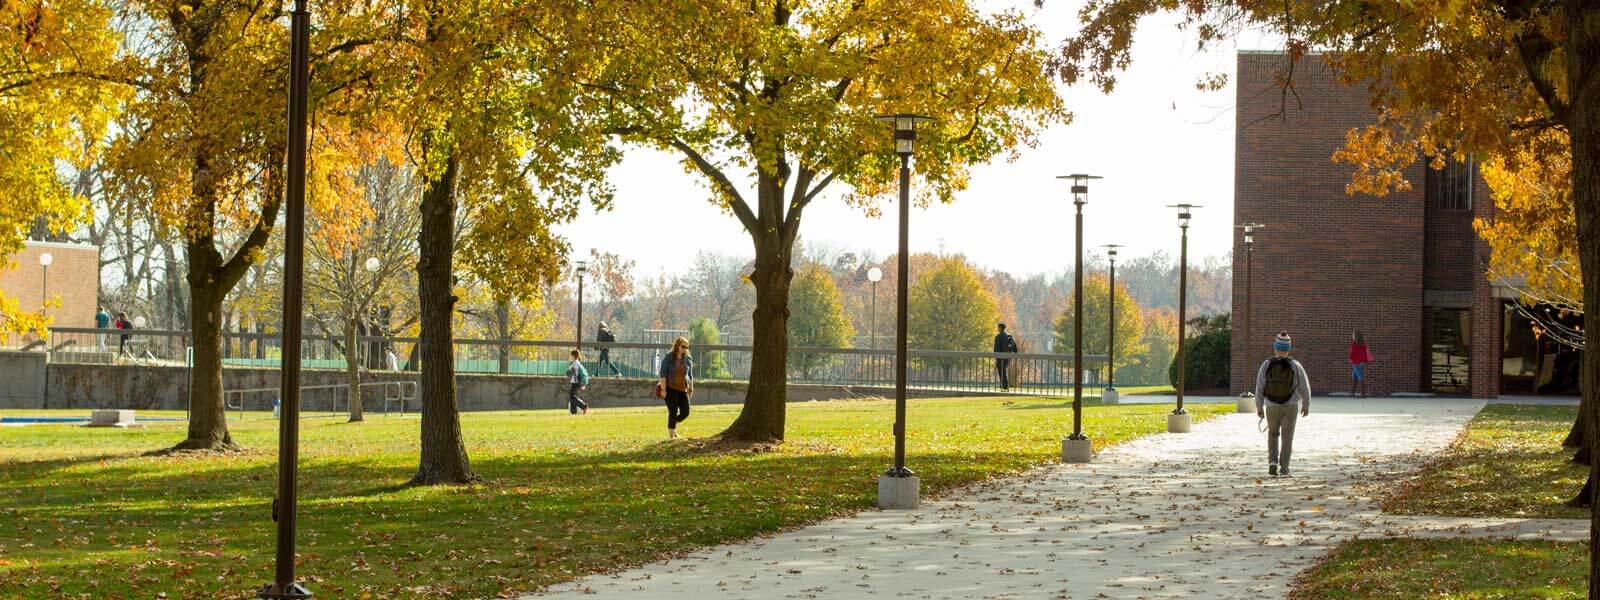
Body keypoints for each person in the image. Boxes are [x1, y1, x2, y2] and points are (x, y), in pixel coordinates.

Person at [1255, 332, 1312, 477]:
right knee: (1287, 437)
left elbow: (1259, 387)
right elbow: (1304, 387)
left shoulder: (1266, 364)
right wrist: (1306, 404)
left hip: (1272, 406)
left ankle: (1272, 462)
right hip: (1290, 406)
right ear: (1288, 349)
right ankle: (1284, 469)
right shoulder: (1295, 365)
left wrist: (1259, 406)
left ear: (1275, 348)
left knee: (1273, 434)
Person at [658, 336, 694, 439]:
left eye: (687, 347)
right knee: (672, 412)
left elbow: (690, 375)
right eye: (683, 346)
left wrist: (691, 388)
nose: (685, 349)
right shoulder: (669, 357)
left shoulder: (688, 358)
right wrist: (664, 390)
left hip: (683, 389)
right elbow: (663, 374)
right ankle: (671, 436)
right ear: (677, 346)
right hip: (670, 388)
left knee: (686, 412)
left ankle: (673, 424)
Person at [993, 323, 1019, 390]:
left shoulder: (999, 337)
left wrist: (995, 356)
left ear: (1000, 328)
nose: (998, 328)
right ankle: (1004, 385)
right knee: (1003, 371)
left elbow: (996, 348)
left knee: (1001, 371)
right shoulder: (1008, 336)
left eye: (998, 327)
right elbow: (1014, 347)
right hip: (1006, 357)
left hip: (1000, 357)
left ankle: (1004, 385)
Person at [1348, 331, 1373, 398]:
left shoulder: (1354, 343)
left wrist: (1350, 357)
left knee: (1360, 378)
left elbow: (1352, 353)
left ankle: (1363, 394)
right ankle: (1352, 394)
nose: (1352, 336)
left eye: (1353, 334)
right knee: (1354, 377)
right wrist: (1364, 361)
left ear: (1355, 335)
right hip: (1361, 362)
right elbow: (1365, 353)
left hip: (1356, 362)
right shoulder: (1363, 343)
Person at [566, 349, 590, 415]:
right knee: (573, 396)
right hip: (575, 382)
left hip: (575, 382)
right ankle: (573, 411)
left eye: (571, 355)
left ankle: (584, 406)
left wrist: (570, 370)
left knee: (572, 396)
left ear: (574, 355)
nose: (570, 356)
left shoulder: (576, 363)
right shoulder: (575, 363)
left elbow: (572, 373)